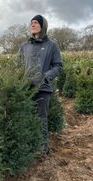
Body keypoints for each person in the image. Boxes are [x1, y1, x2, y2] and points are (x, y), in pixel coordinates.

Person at [19, 15, 62, 154]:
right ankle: (28, 145)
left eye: (36, 22)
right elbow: (17, 65)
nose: (32, 24)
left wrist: (46, 77)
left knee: (41, 117)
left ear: (43, 26)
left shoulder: (52, 45)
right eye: (31, 22)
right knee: (25, 116)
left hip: (43, 88)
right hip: (26, 88)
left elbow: (58, 66)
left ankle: (42, 148)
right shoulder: (24, 46)